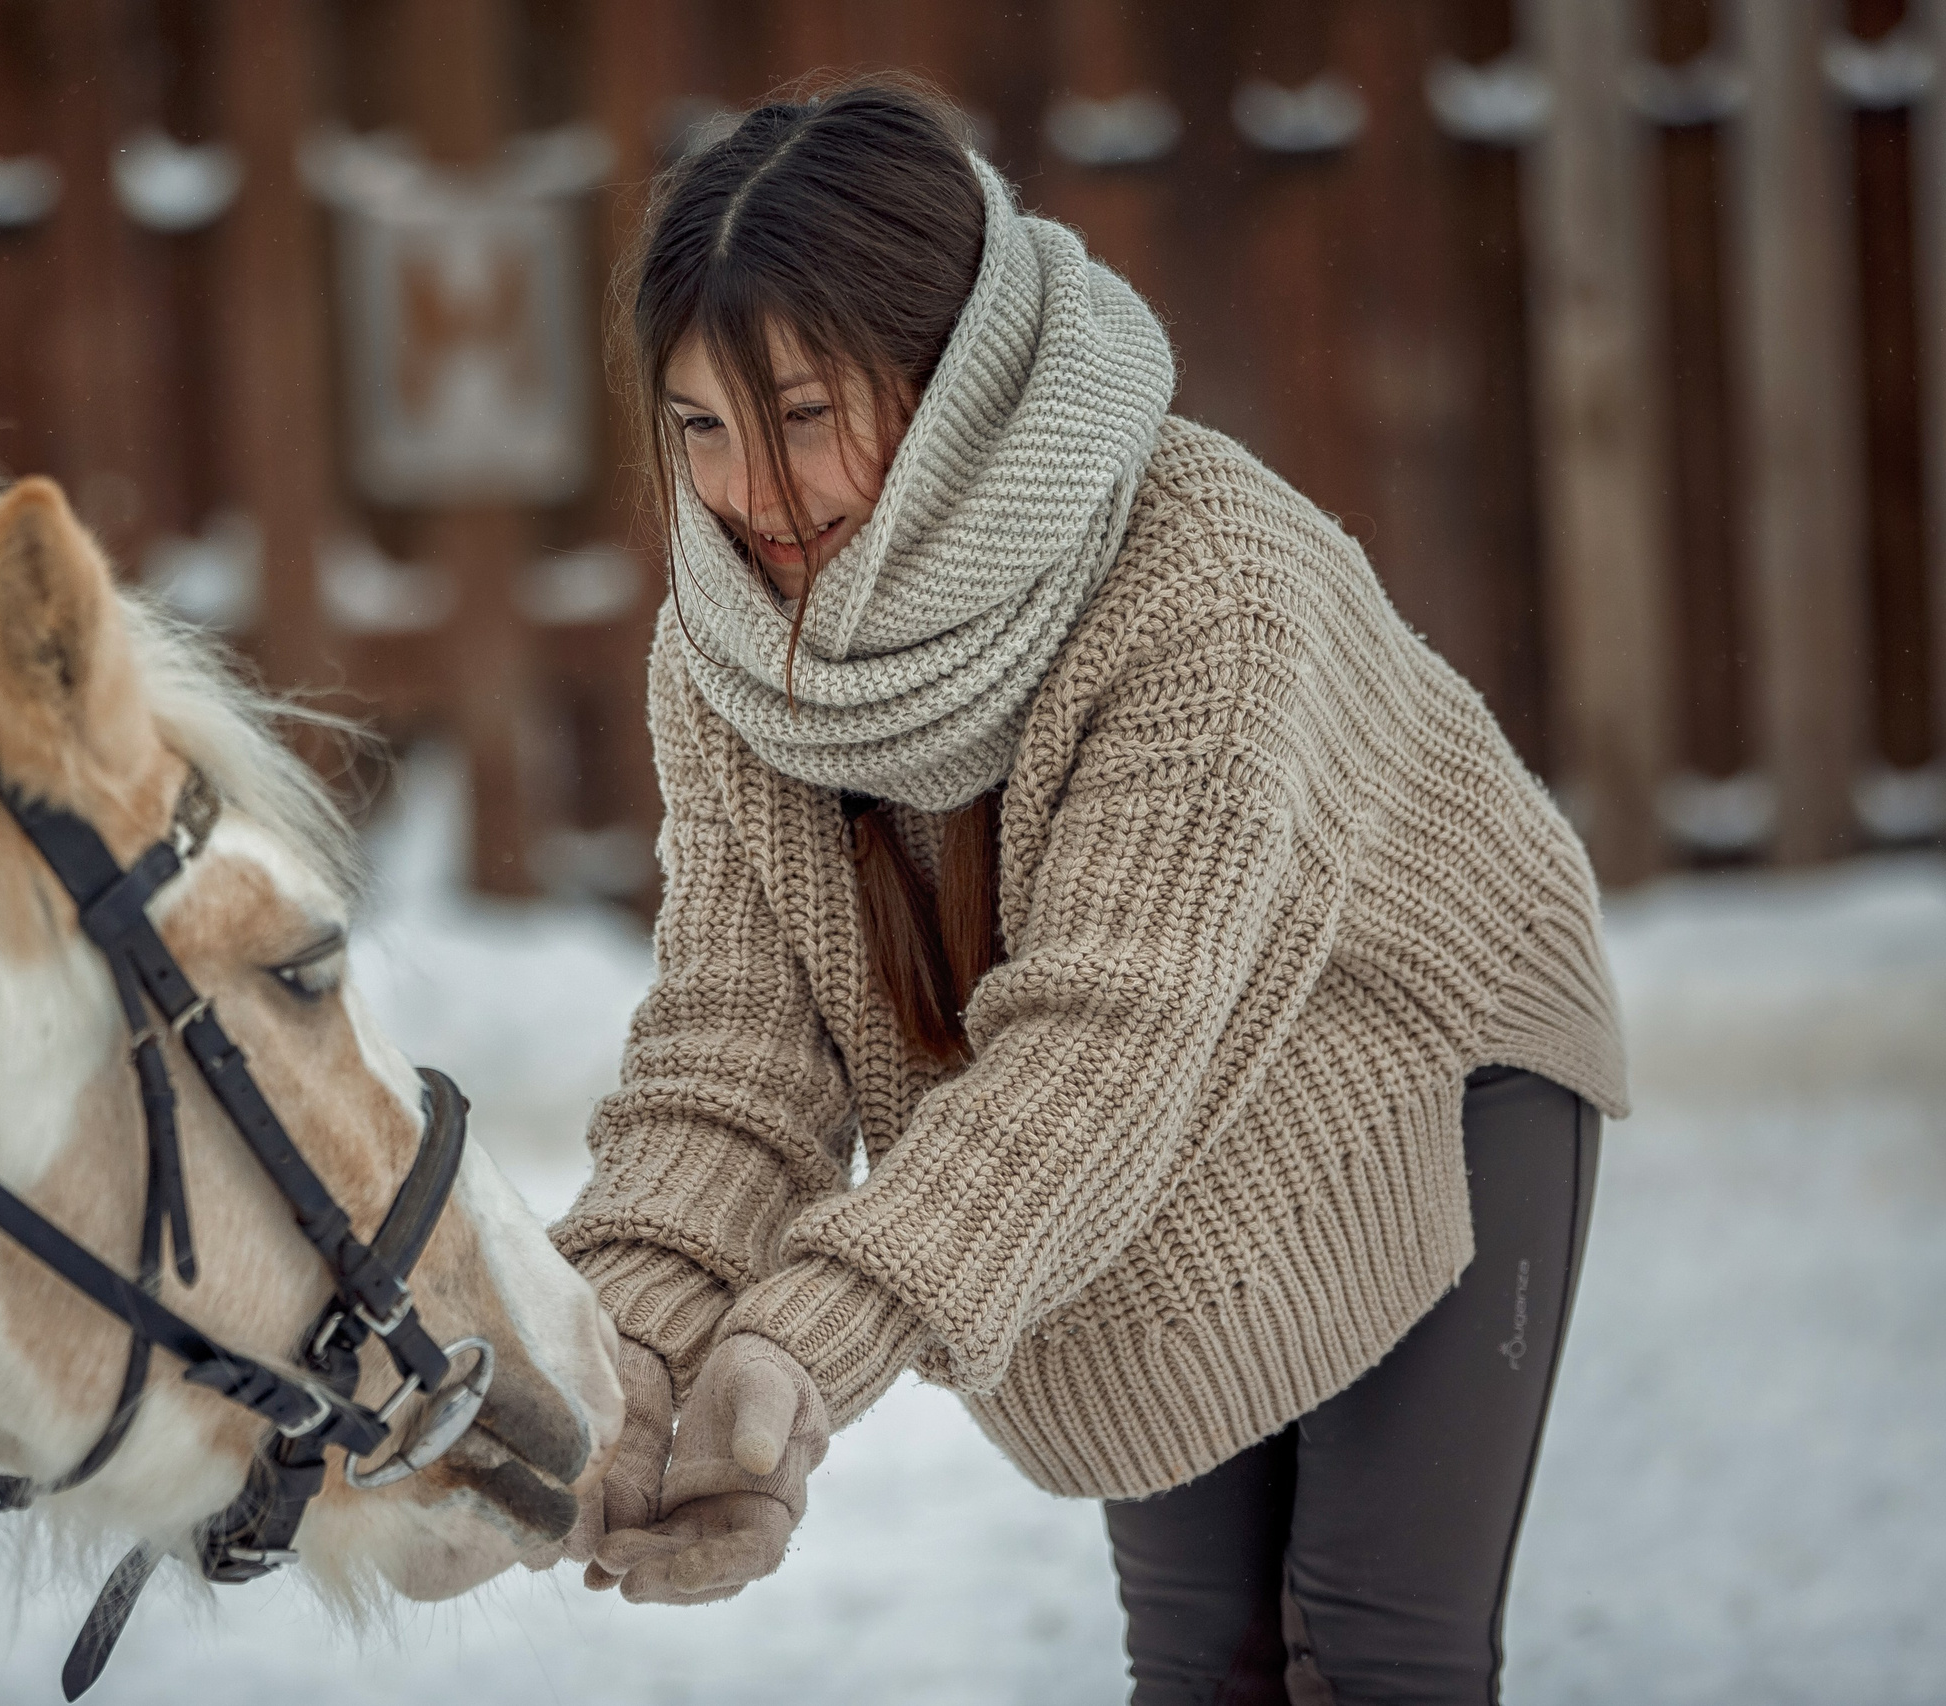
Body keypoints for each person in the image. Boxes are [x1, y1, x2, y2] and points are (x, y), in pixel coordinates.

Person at [549, 78, 1626, 1705]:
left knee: (1373, 1645)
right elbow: (736, 1050)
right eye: (700, 426)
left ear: (956, 382)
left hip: (1424, 1040)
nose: (752, 497)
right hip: (1125, 1123)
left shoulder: (1199, 575)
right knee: (1205, 1657)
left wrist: (796, 1345)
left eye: (806, 414)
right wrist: (625, 1340)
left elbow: (1103, 1039)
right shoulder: (728, 659)